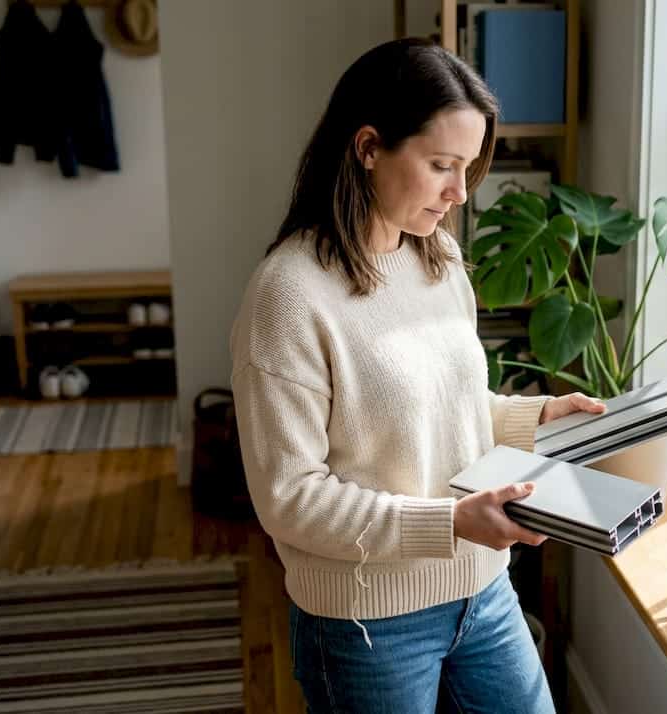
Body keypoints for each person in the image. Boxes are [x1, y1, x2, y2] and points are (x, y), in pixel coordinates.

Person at [229, 37, 605, 714]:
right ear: (369, 147)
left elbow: (449, 407)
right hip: (366, 624)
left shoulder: (438, 257)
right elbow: (290, 496)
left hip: (483, 592)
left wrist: (536, 417)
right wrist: (452, 521)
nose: (460, 192)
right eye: (441, 165)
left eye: (467, 168)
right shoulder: (288, 296)